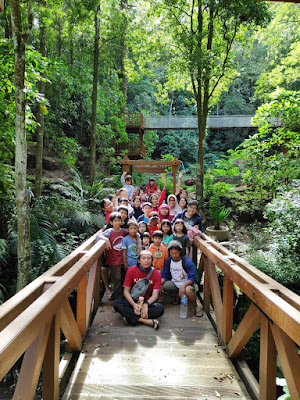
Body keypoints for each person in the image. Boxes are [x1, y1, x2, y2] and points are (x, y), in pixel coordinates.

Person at [114, 250, 164, 329]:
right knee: (117, 304)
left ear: (152, 261)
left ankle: (130, 318)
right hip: (133, 300)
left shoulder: (156, 274)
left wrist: (146, 305)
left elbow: (155, 295)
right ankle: (145, 321)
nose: (146, 261)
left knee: (160, 308)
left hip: (147, 302)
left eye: (148, 258)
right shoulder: (131, 270)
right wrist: (134, 305)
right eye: (143, 258)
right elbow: (126, 291)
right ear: (139, 260)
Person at [161, 241, 202, 317]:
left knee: (188, 290)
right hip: (175, 283)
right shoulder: (169, 261)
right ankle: (178, 297)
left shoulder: (186, 261)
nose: (174, 255)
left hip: (186, 284)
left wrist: (183, 286)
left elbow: (192, 277)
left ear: (180, 251)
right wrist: (158, 284)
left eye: (176, 253)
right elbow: (165, 275)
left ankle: (195, 306)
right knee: (164, 286)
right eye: (172, 253)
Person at [97, 212, 127, 300]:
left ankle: (123, 297)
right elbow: (98, 236)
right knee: (116, 280)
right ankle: (118, 301)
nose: (117, 222)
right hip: (114, 260)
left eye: (119, 221)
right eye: (115, 221)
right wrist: (105, 239)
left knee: (123, 279)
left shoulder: (123, 231)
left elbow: (134, 233)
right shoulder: (109, 232)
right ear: (111, 222)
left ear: (122, 222)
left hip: (123, 259)